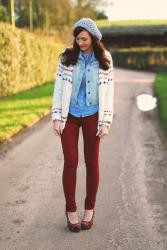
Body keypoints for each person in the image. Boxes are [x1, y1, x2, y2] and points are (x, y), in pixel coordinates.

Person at [51, 17, 114, 232]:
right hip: (70, 115)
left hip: (92, 115)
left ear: (94, 38)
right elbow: (59, 88)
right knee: (70, 162)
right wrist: (57, 117)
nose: (80, 43)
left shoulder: (105, 58)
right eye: (78, 39)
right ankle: (71, 211)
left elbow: (109, 92)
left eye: (84, 39)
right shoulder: (67, 58)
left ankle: (89, 209)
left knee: (92, 162)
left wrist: (106, 121)